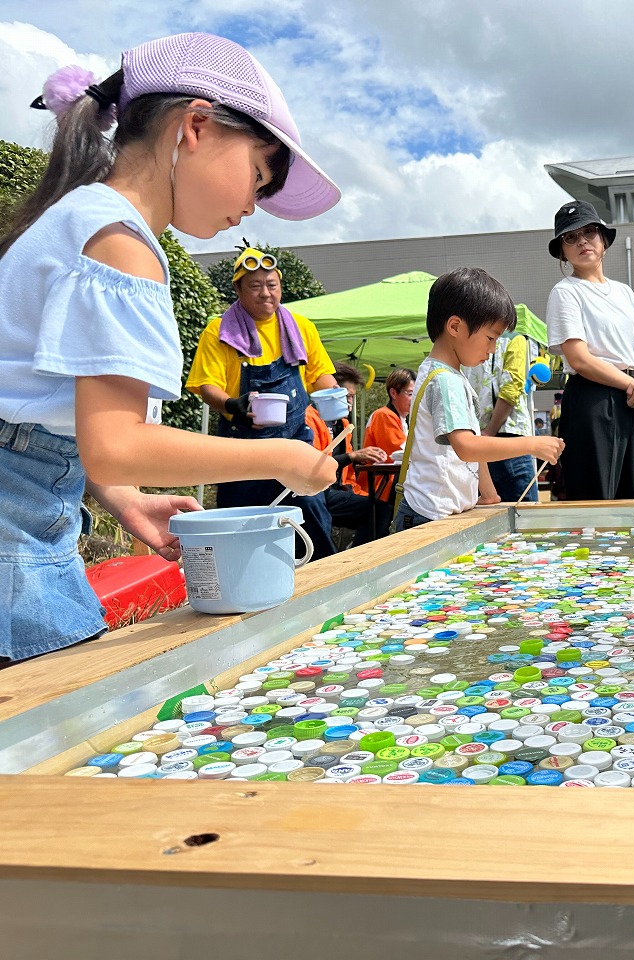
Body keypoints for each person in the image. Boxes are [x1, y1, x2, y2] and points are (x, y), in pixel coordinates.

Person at [0, 33, 339, 666]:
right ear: (196, 127)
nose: (251, 205)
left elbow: (41, 413)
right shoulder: (120, 242)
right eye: (258, 176)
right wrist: (284, 459)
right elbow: (117, 442)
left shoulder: (81, 217)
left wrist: (123, 497)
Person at [186, 245, 338, 559]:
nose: (265, 293)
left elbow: (321, 374)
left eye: (272, 285)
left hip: (295, 450)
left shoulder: (300, 328)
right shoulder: (220, 331)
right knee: (244, 542)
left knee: (311, 521)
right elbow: (207, 385)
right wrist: (231, 406)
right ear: (237, 289)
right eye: (254, 286)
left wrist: (333, 397)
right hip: (242, 457)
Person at [394, 268, 564, 530]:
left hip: (439, 511)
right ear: (455, 327)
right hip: (428, 515)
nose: (493, 349)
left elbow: (473, 441)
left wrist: (488, 494)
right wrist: (531, 444)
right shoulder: (446, 381)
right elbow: (467, 447)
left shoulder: (452, 376)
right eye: (491, 337)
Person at [545, 200, 634, 501]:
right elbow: (579, 359)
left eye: (590, 231)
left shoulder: (623, 291)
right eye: (571, 236)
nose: (582, 241)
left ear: (604, 239)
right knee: (597, 497)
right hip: (592, 399)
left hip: (633, 398)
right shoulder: (565, 291)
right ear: (562, 250)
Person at [305, 363, 390, 547]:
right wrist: (353, 456)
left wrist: (362, 459)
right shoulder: (309, 418)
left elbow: (348, 469)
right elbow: (314, 465)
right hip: (316, 493)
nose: (350, 402)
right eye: (347, 396)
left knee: (380, 509)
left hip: (339, 489)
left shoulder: (343, 424)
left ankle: (358, 554)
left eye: (352, 397)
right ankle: (358, 559)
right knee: (380, 511)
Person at [462, 328, 541, 501]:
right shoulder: (515, 339)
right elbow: (511, 389)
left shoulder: (466, 344)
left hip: (477, 443)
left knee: (490, 516)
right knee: (524, 515)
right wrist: (490, 430)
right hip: (509, 435)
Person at [362, 368, 415, 535]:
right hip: (379, 485)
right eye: (409, 393)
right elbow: (400, 450)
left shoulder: (401, 419)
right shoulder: (383, 415)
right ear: (393, 392)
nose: (413, 399)